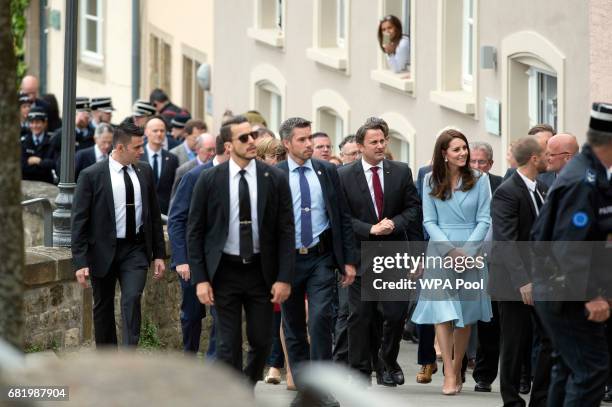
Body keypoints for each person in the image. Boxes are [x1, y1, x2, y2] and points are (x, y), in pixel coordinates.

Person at [187, 115, 294, 385]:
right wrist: (201, 279)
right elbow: (195, 232)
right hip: (225, 272)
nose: (251, 142)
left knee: (260, 341)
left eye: (253, 136)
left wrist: (284, 277)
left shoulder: (274, 178)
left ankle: (246, 387)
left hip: (260, 271)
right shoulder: (210, 180)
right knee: (227, 343)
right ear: (228, 146)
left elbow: (286, 231)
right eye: (243, 138)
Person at [532, 102, 612, 407]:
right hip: (566, 293)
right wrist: (591, 295)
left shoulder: (592, 174)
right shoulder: (583, 181)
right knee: (591, 370)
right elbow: (570, 248)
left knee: (568, 368)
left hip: (563, 290)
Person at [277, 117, 357, 407]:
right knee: (294, 325)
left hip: (321, 257)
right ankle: (305, 388)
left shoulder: (326, 171)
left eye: (310, 138)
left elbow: (342, 216)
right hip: (287, 262)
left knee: (321, 319)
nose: (309, 144)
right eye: (302, 139)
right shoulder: (275, 174)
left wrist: (348, 260)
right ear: (287, 143)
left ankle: (323, 386)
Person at [338, 118, 422, 387]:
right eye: (373, 142)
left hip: (394, 255)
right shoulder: (343, 175)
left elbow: (413, 210)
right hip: (360, 257)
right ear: (360, 146)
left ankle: (386, 361)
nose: (380, 146)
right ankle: (360, 371)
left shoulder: (400, 171)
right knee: (361, 317)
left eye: (383, 140)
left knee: (395, 315)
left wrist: (395, 225)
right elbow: (341, 218)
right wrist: (370, 229)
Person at [411, 128, 492, 395]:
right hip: (440, 251)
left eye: (464, 148)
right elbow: (428, 221)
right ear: (444, 153)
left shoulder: (480, 179)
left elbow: (485, 219)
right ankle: (447, 371)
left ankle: (457, 368)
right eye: (456, 149)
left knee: (465, 315)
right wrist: (449, 250)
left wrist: (468, 252)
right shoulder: (430, 181)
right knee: (442, 313)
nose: (463, 153)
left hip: (472, 250)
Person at [71, 121, 166, 347]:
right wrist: (80, 261)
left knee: (132, 299)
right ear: (120, 148)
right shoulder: (91, 175)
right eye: (137, 147)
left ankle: (129, 357)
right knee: (102, 306)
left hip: (135, 250)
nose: (142, 151)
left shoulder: (145, 171)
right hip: (102, 250)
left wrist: (159, 254)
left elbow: (153, 215)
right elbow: (79, 221)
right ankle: (108, 360)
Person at [489, 137, 552, 406]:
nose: (550, 158)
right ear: (534, 159)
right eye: (545, 154)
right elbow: (505, 240)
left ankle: (540, 398)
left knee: (549, 339)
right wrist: (523, 281)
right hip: (514, 283)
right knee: (514, 345)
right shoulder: (508, 191)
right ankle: (512, 400)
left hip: (542, 280)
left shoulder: (540, 189)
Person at [168, 135, 229, 356]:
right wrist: (182, 259)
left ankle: (216, 363)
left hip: (222, 260)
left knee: (222, 313)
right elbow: (176, 220)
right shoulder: (193, 177)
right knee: (192, 314)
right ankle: (189, 357)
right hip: (193, 260)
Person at [141, 116, 179, 215]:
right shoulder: (137, 156)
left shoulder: (172, 159)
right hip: (142, 211)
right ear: (146, 132)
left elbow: (174, 188)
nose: (159, 134)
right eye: (155, 131)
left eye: (162, 131)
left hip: (164, 212)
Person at [170, 132, 217, 199]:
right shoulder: (185, 169)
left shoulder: (218, 167)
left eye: (214, 150)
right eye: (209, 150)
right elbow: (175, 197)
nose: (212, 153)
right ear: (198, 149)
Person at [21, 106, 56, 184]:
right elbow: (22, 166)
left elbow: (54, 164)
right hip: (27, 183)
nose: (34, 126)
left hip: (47, 183)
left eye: (37, 122)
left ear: (44, 123)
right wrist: (44, 164)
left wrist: (39, 161)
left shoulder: (52, 141)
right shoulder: (23, 141)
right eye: (32, 123)